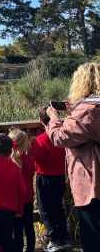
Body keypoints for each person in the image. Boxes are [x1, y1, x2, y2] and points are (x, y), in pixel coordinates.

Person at [46, 62, 100, 252]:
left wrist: (54, 117)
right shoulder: (91, 109)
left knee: (93, 235)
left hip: (93, 182)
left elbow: (60, 137)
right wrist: (73, 114)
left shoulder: (88, 110)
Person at [31, 106, 70, 252]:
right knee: (58, 207)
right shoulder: (63, 135)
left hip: (45, 177)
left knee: (46, 209)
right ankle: (63, 238)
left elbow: (37, 157)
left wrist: (32, 145)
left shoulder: (42, 139)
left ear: (41, 120)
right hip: (60, 176)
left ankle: (54, 240)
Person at [8, 128, 36, 252]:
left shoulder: (8, 161)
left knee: (17, 228)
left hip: (13, 200)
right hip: (27, 198)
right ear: (24, 144)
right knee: (29, 226)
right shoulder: (29, 161)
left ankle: (18, 249)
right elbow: (32, 170)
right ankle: (30, 248)